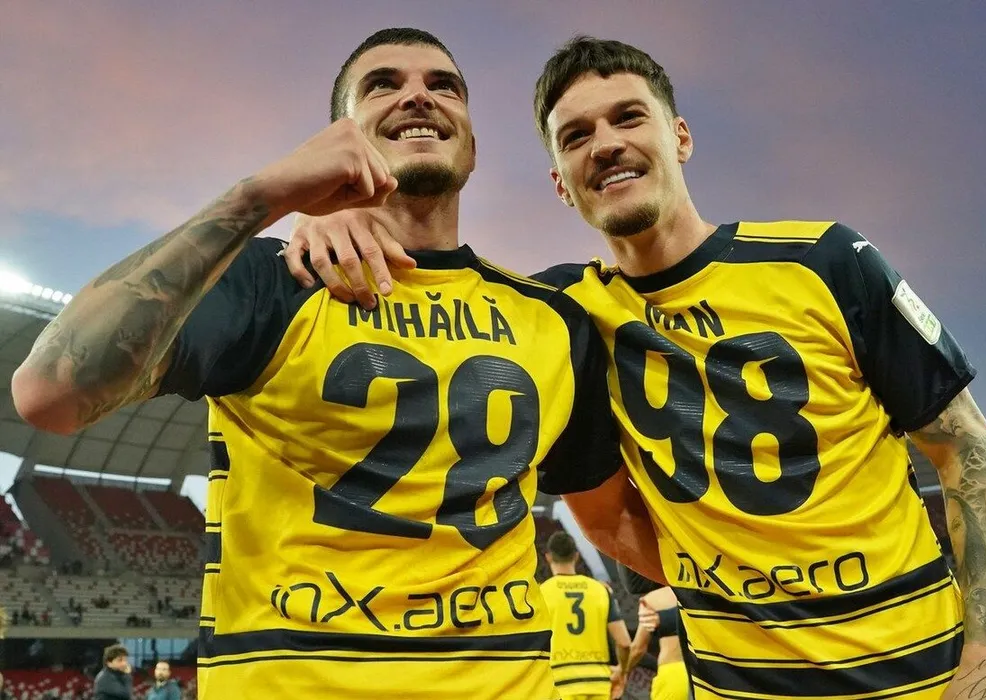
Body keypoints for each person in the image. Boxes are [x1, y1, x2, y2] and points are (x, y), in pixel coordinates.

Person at [288, 35, 986, 700]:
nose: (605, 144)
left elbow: (965, 451)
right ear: (560, 182)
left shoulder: (825, 261)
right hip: (734, 685)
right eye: (576, 136)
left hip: (920, 671)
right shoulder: (562, 317)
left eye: (628, 118)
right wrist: (331, 214)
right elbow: (603, 514)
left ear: (680, 137)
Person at [11, 28, 627, 700]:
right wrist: (259, 199)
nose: (417, 96)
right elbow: (51, 392)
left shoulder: (555, 319)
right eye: (383, 84)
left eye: (443, 86)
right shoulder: (267, 283)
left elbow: (606, 516)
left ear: (473, 146)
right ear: (340, 137)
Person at [540, 532, 643, 700]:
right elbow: (624, 642)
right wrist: (622, 671)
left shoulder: (541, 593)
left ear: (548, 557)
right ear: (576, 556)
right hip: (599, 683)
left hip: (560, 683)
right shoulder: (600, 590)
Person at [636, 587, 689, 700]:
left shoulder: (654, 599)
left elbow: (638, 649)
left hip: (673, 672)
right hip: (708, 672)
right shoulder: (705, 594)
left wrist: (622, 670)